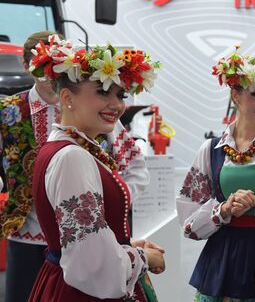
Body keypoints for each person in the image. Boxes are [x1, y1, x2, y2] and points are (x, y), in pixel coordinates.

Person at [0, 31, 150, 302]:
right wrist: (140, 256)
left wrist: (108, 209)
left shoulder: (89, 126)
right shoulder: (12, 112)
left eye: (120, 94)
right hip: (28, 234)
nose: (116, 104)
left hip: (80, 248)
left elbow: (135, 165)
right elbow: (91, 267)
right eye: (104, 92)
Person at [176, 52, 255, 302]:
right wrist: (224, 209)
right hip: (221, 260)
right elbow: (188, 221)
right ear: (235, 95)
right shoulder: (210, 149)